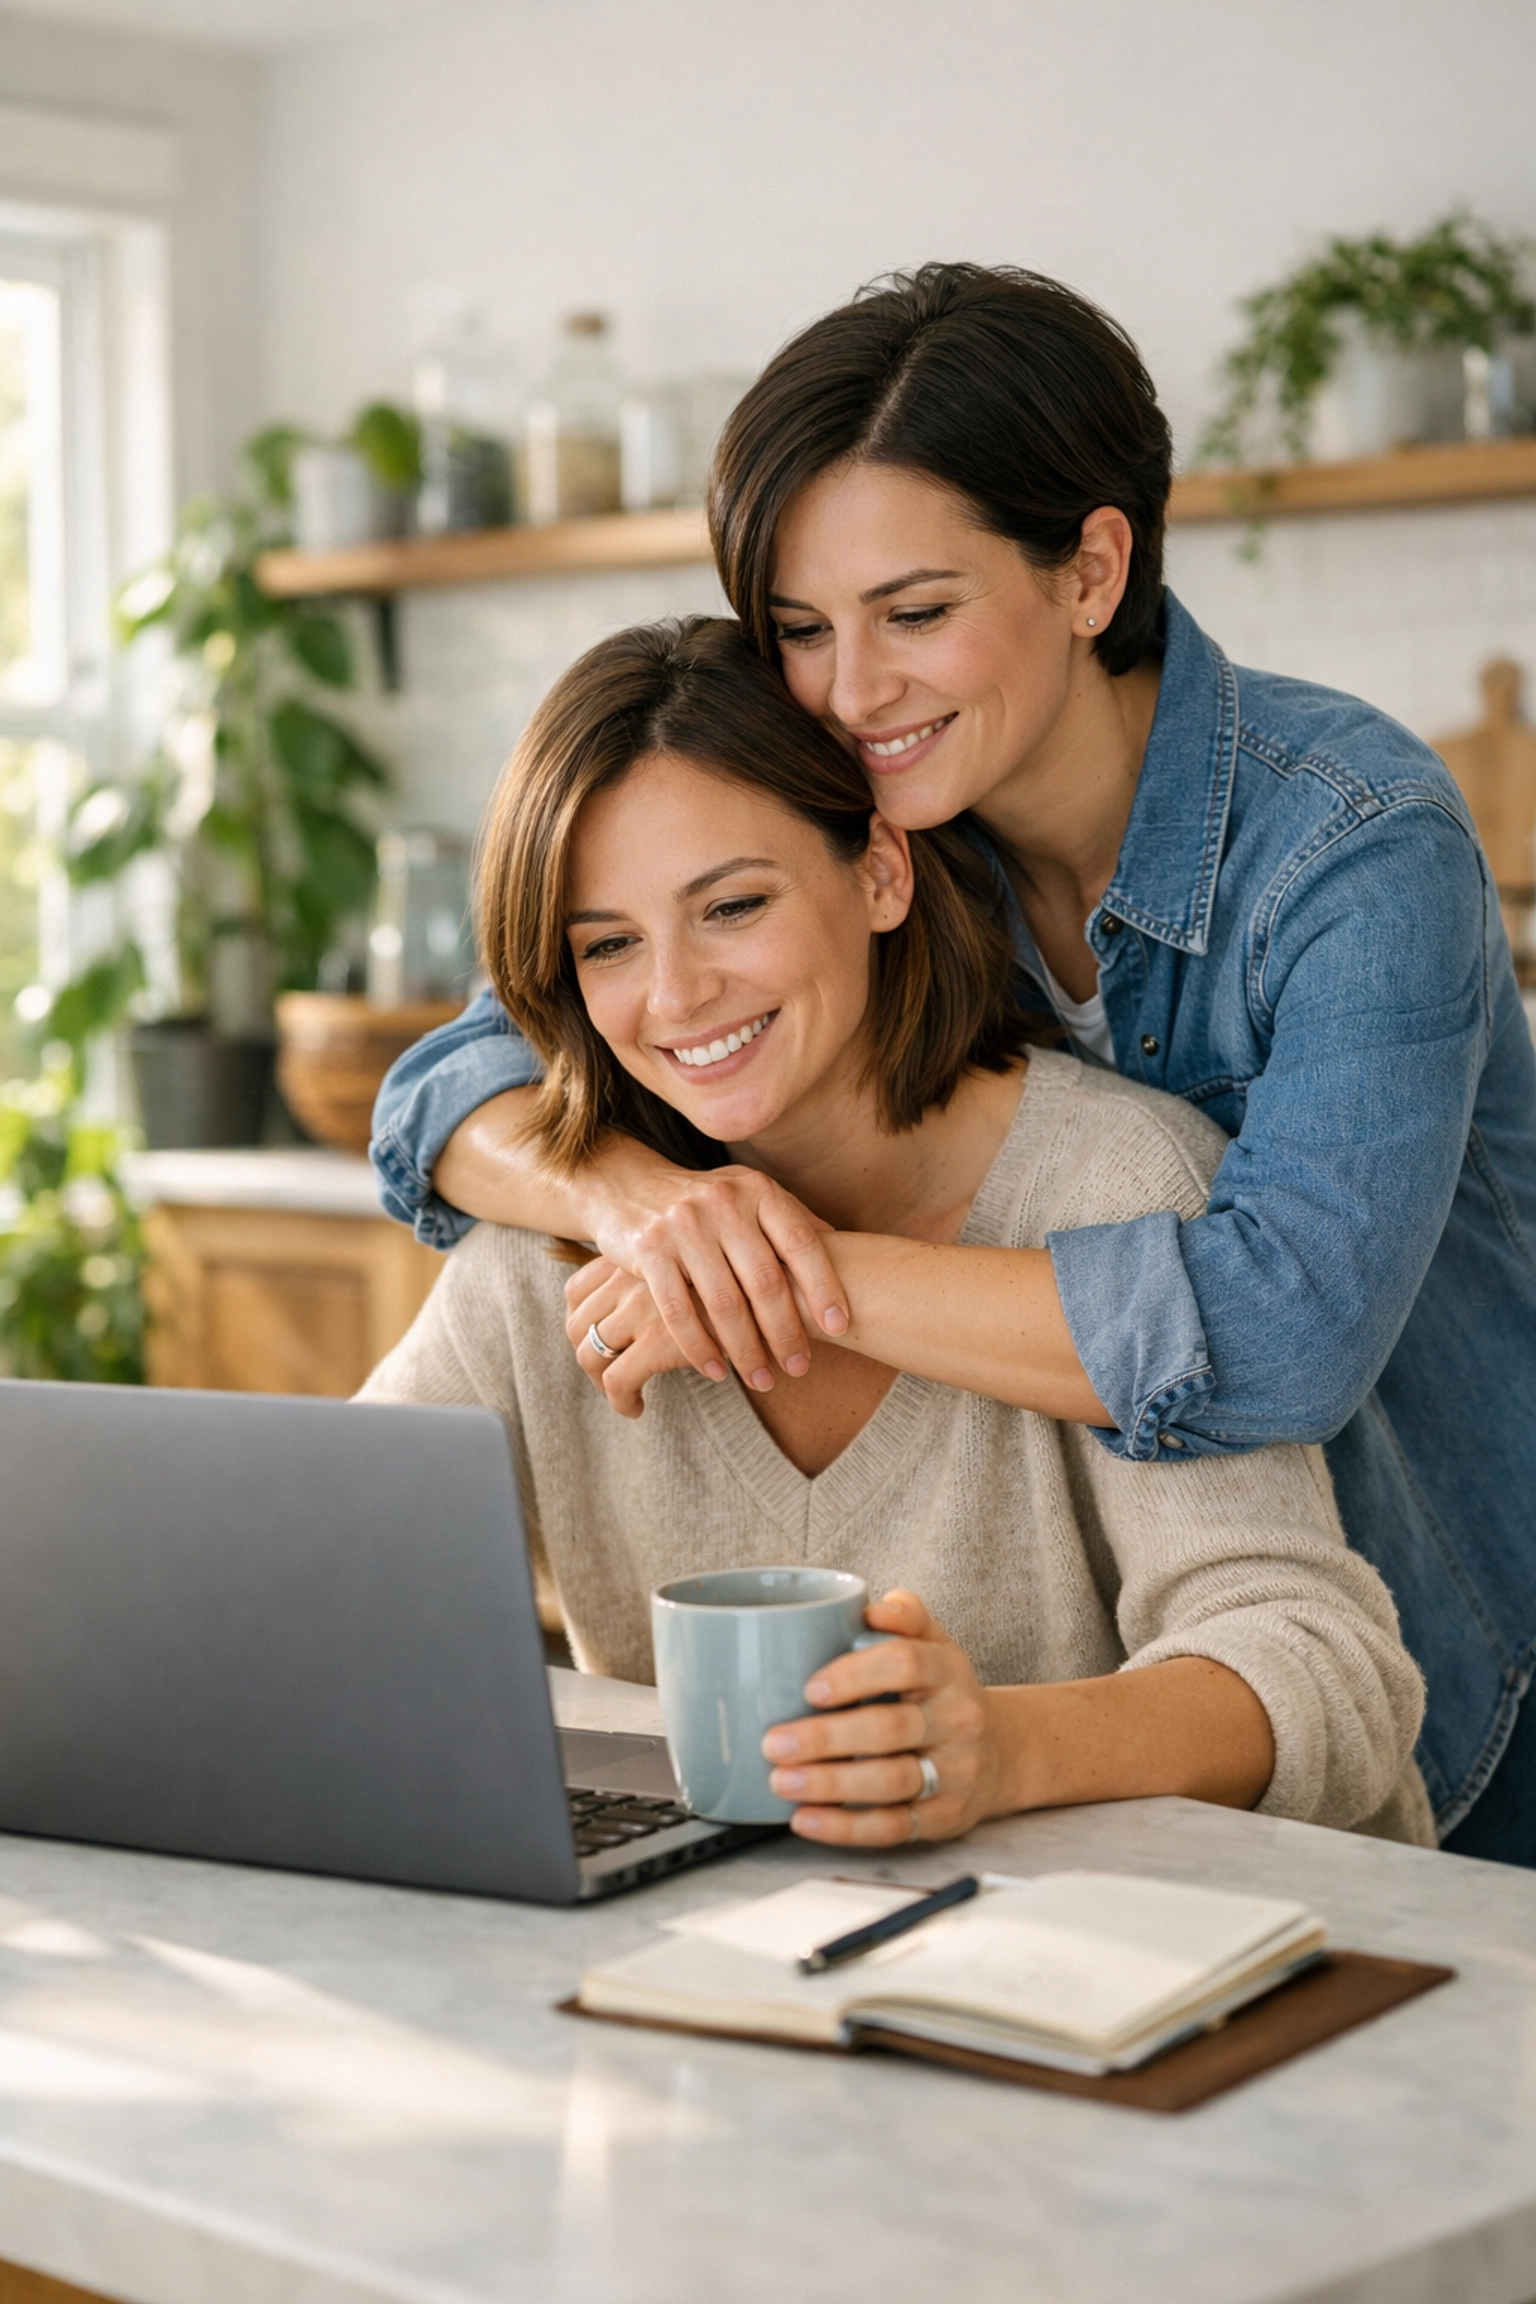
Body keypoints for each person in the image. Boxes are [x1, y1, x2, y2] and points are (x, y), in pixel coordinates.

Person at [370, 265, 1536, 1865]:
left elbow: (1274, 1337)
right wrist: (652, 1211)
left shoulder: (1351, 848)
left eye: (915, 613)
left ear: (1090, 569)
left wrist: (788, 1272)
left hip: (1460, 1640)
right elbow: (458, 1078)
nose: (851, 695)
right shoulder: (891, 819)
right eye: (799, 629)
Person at [361, 616, 1429, 1851]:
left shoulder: (1112, 1181)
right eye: (609, 944)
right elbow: (324, 1560)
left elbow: (1326, 1670)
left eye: (733, 905)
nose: (676, 996)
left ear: (879, 872)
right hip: (739, 1968)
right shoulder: (546, 1242)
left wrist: (1006, 1746)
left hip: (1177, 1963)